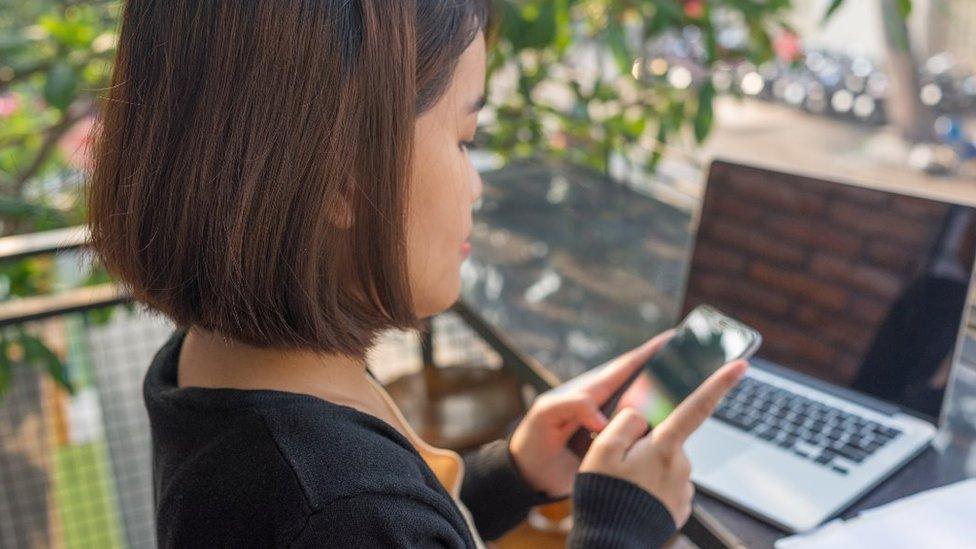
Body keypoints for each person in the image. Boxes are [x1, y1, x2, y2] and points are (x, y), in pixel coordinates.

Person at [87, 1, 747, 547]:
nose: (478, 186)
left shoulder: (217, 370)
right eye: (465, 139)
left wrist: (511, 473)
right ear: (342, 172)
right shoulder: (337, 503)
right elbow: (362, 522)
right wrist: (619, 527)